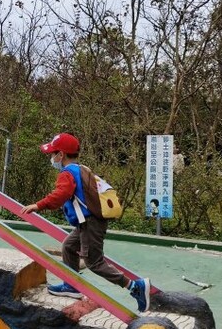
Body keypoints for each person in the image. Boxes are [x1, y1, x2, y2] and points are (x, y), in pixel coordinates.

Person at [21, 132, 151, 312]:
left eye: (53, 154)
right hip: (87, 222)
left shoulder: (67, 173)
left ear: (61, 155)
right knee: (68, 246)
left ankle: (134, 286)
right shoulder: (82, 168)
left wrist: (38, 205)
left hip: (90, 223)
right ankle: (72, 285)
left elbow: (61, 195)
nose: (51, 158)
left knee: (94, 262)